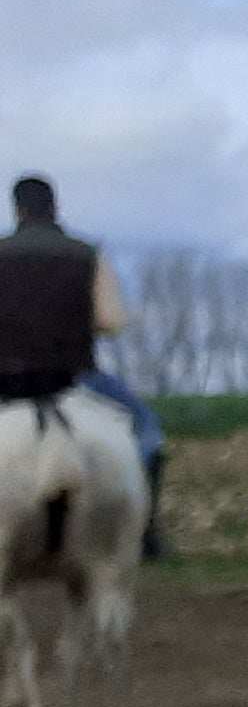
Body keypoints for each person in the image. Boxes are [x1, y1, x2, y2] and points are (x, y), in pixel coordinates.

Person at [0, 178, 167, 557]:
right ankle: (145, 533)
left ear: (18, 210)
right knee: (148, 431)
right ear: (55, 208)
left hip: (5, 379)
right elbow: (111, 321)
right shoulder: (87, 254)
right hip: (72, 377)